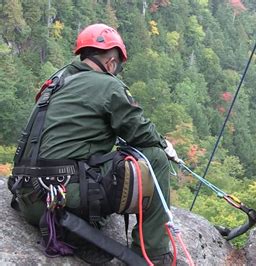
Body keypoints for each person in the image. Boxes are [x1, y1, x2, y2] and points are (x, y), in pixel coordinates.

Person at [8, 23, 179, 264]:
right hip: (60, 199)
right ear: (111, 63)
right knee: (155, 158)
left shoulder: (56, 81)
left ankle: (86, 223)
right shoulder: (109, 85)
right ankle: (153, 254)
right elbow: (140, 133)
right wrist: (164, 144)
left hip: (29, 197)